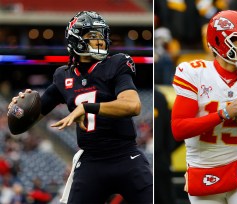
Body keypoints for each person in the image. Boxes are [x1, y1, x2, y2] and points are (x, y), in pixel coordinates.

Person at [8, 11, 153, 204]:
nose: (100, 41)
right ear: (76, 41)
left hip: (126, 156)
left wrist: (87, 108)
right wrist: (17, 110)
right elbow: (22, 124)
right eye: (93, 36)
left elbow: (132, 105)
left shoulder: (116, 63)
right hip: (91, 163)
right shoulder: (63, 76)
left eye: (101, 35)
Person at [171, 10, 237, 204]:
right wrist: (225, 113)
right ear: (220, 42)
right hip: (203, 169)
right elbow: (178, 129)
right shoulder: (194, 73)